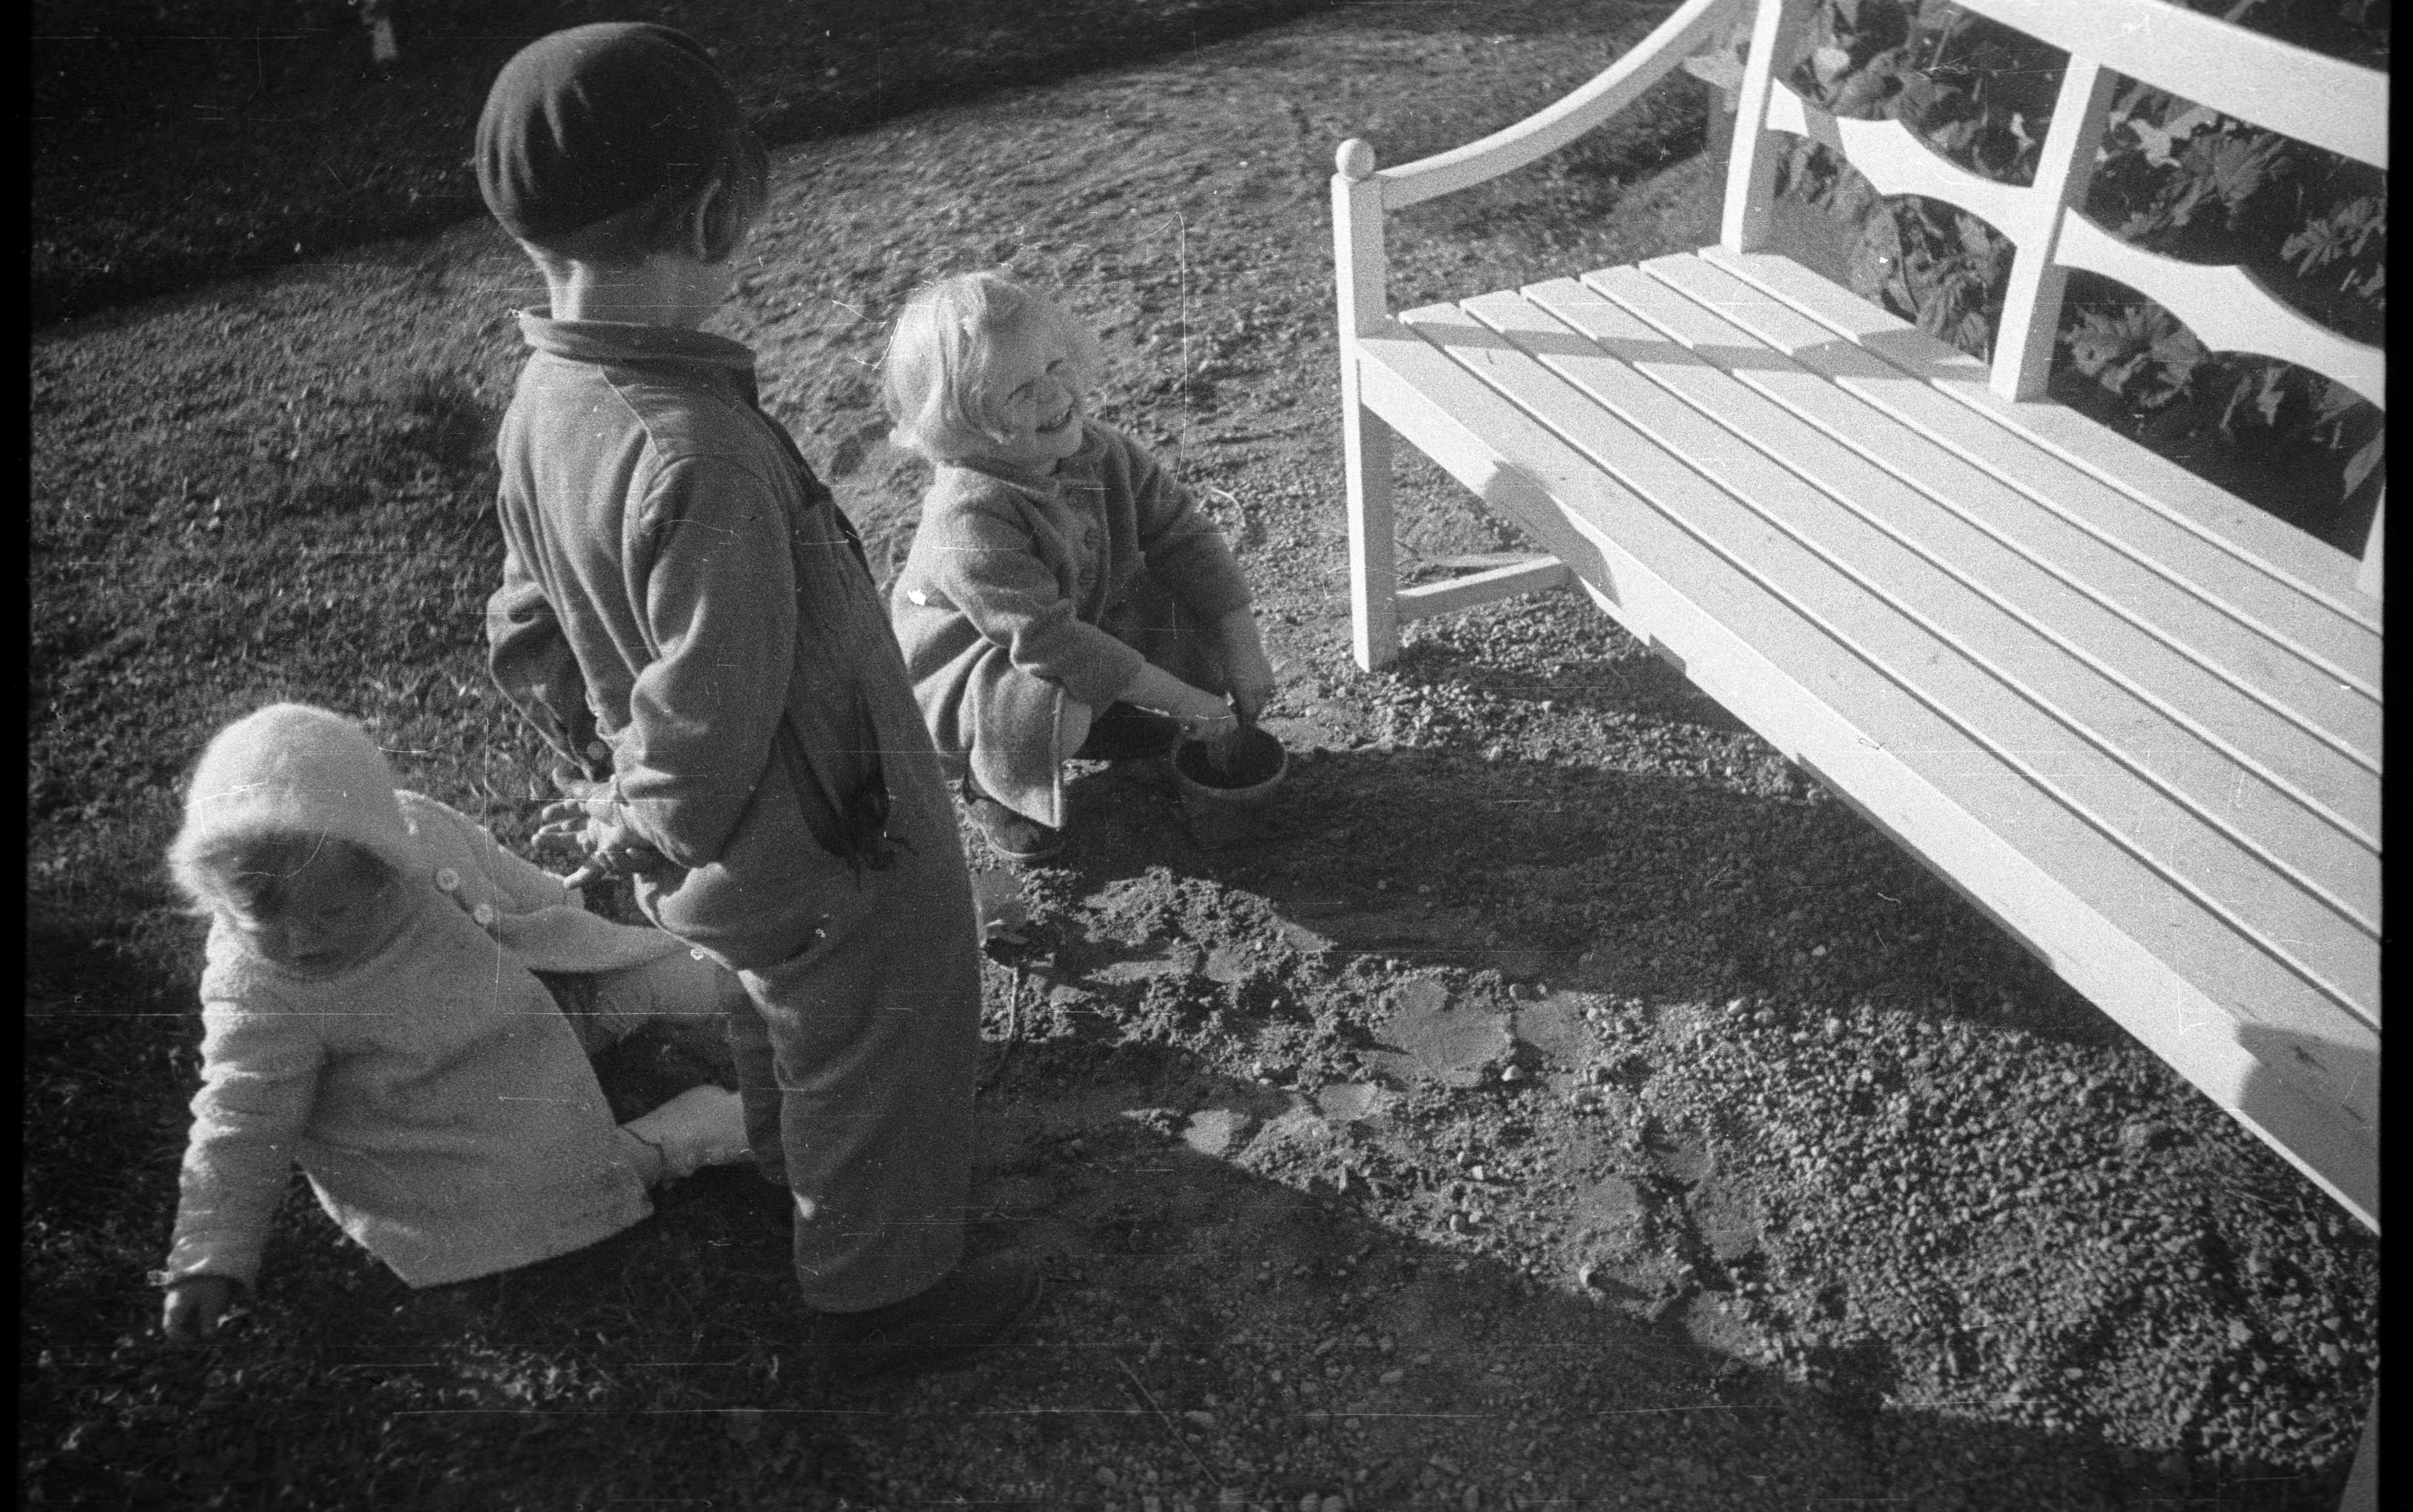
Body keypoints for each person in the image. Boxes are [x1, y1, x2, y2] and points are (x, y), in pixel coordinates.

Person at [474, 22, 1037, 1375]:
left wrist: (599, 769)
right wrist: (645, 814)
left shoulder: (546, 399)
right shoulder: (696, 451)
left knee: (776, 1016)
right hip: (826, 835)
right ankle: (877, 1299)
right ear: (718, 210)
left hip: (715, 851)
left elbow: (521, 621)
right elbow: (713, 706)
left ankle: (795, 1169)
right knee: (878, 1042)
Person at [156, 703, 751, 1345]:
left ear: (383, 871)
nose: (302, 941)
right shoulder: (260, 992)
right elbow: (240, 1121)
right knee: (543, 1196)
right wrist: (208, 1256)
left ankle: (773, 1006)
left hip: (535, 1018)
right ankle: (670, 1139)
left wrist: (558, 898)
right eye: (263, 922)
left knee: (679, 971)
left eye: (333, 913)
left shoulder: (416, 832)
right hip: (449, 1128)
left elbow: (499, 873)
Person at [884, 270, 1276, 862]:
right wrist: (1183, 700)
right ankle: (993, 779)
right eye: (1020, 391)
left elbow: (1185, 536)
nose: (1054, 394)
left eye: (1055, 366)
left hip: (1070, 626)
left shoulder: (1101, 450)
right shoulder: (967, 517)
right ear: (963, 421)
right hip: (976, 669)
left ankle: (1103, 713)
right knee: (1058, 711)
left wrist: (1241, 645)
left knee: (1185, 601)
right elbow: (1048, 640)